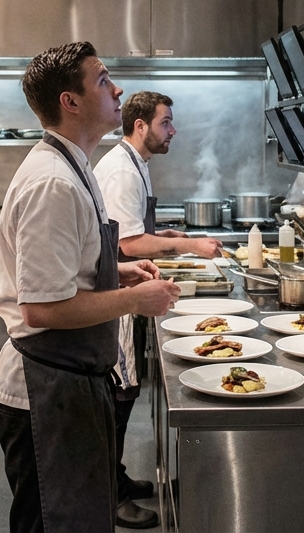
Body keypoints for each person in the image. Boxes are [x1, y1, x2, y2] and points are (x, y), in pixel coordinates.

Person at [0, 41, 180, 533]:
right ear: (69, 102)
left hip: (72, 380)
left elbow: (66, 270)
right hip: (46, 389)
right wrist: (135, 299)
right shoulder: (53, 181)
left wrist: (116, 274)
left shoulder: (76, 166)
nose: (117, 89)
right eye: (102, 80)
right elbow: (42, 309)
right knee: (54, 523)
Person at [92, 90, 220, 529]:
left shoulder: (135, 165)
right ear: (140, 125)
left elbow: (133, 230)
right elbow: (127, 244)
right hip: (118, 296)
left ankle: (117, 479)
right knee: (119, 396)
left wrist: (160, 232)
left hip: (125, 287)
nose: (173, 130)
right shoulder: (122, 171)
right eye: (166, 122)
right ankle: (107, 494)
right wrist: (188, 244)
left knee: (123, 395)